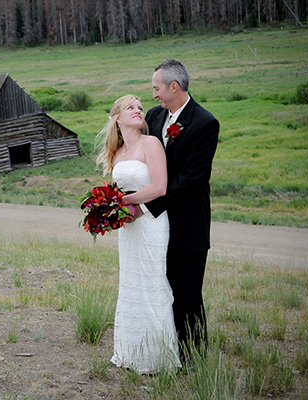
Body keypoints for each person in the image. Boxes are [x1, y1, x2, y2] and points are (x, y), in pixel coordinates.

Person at [133, 59, 220, 357]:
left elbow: (190, 179)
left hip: (188, 223)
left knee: (188, 293)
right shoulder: (155, 116)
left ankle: (194, 357)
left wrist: (144, 206)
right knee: (163, 289)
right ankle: (167, 352)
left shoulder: (205, 123)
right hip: (157, 227)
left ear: (173, 86)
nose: (154, 95)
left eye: (156, 88)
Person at [96, 94, 181, 374]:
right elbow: (116, 191)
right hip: (129, 229)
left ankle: (160, 358)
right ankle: (132, 351)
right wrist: (108, 210)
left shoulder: (151, 143)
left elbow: (160, 187)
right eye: (130, 107)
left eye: (140, 107)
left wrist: (126, 203)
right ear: (117, 118)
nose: (138, 110)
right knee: (131, 283)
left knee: (152, 280)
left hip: (151, 223)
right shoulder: (117, 153)